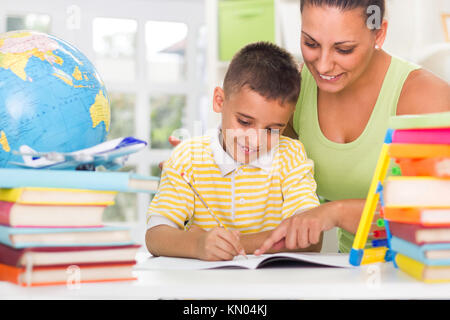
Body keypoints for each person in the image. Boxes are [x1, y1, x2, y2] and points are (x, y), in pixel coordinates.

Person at [255, 0, 450, 255]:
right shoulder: (296, 90)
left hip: (423, 276)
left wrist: (337, 212)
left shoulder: (424, 96)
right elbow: (259, 169)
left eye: (344, 49)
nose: (323, 65)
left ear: (379, 33)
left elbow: (439, 209)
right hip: (351, 275)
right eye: (311, 43)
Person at [145, 42, 321, 261]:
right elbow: (155, 235)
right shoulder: (188, 157)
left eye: (272, 129)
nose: (255, 140)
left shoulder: (290, 155)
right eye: (245, 122)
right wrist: (198, 245)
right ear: (219, 100)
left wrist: (235, 244)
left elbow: (311, 238)